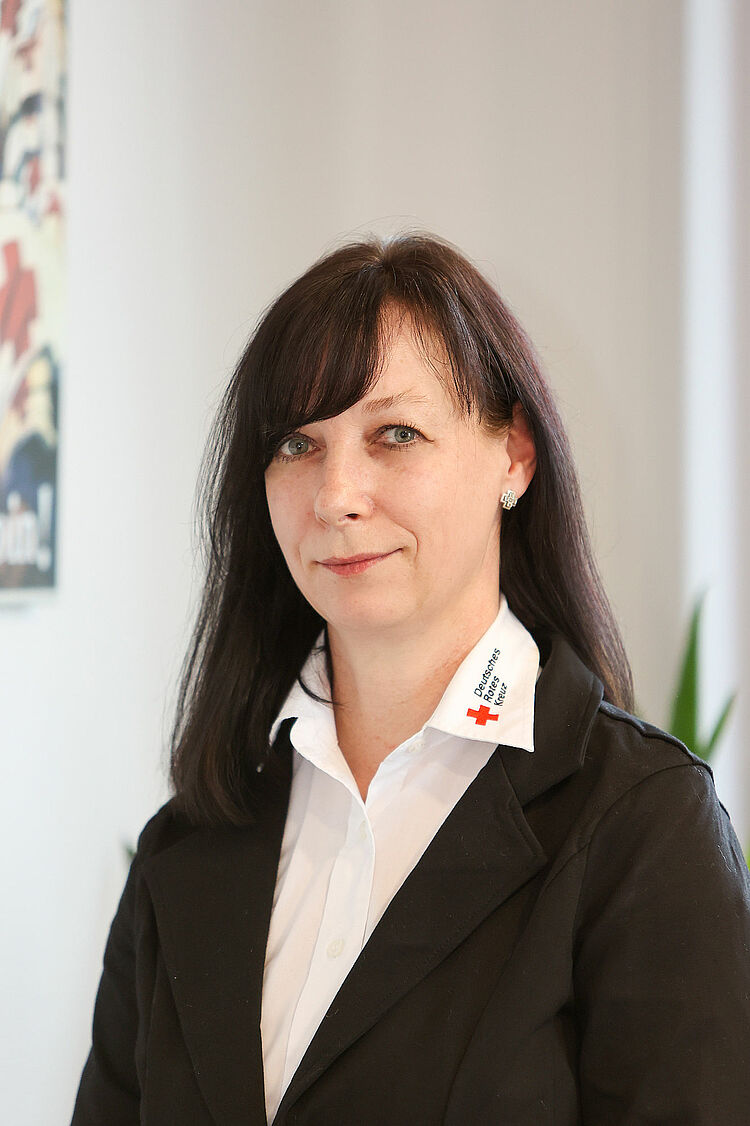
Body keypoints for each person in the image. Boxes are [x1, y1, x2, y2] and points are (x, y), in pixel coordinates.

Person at [71, 232, 750, 1125]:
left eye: (395, 434)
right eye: (297, 444)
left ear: (514, 455)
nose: (336, 496)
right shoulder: (186, 844)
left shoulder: (644, 825)